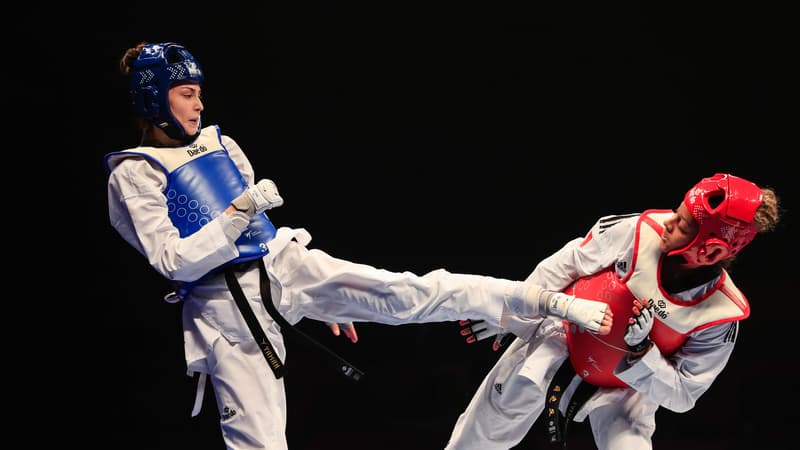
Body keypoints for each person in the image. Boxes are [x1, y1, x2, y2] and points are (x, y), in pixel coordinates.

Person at [104, 41, 613, 449]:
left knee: (409, 293)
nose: (199, 103)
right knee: (258, 443)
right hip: (225, 314)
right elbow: (173, 261)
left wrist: (320, 299)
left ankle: (544, 301)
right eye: (186, 93)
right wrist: (239, 212)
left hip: (285, 265)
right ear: (154, 100)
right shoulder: (134, 172)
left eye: (198, 92)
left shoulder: (221, 143)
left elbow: (256, 234)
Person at [448, 173, 780, 449]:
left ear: (710, 252)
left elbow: (683, 395)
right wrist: (513, 311)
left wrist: (643, 351)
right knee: (482, 434)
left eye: (682, 224)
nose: (668, 222)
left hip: (627, 389)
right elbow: (566, 264)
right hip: (562, 338)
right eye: (676, 212)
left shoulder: (719, 317)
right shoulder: (638, 231)